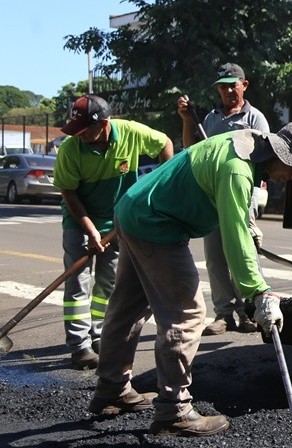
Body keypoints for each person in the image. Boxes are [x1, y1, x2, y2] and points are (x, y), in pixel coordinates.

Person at [87, 122, 292, 436]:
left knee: (128, 307)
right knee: (187, 313)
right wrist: (259, 293)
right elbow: (235, 236)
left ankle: (111, 389)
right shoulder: (237, 170)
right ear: (279, 152)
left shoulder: (244, 144)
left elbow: (232, 221)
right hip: (156, 224)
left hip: (135, 208)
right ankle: (174, 410)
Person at [52, 94, 173, 370]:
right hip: (79, 219)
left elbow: (164, 142)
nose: (79, 134)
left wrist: (165, 182)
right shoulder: (71, 149)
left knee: (108, 282)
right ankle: (79, 346)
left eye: (84, 128)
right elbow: (68, 193)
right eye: (76, 129)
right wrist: (91, 230)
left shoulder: (130, 132)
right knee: (78, 282)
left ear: (104, 123)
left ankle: (99, 335)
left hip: (117, 220)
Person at [176, 62, 270, 336]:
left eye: (233, 84)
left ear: (244, 85)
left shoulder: (255, 119)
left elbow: (263, 157)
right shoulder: (211, 119)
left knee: (243, 251)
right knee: (216, 258)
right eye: (223, 86)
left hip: (241, 196)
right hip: (212, 197)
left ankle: (251, 311)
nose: (229, 90)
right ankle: (225, 314)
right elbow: (192, 150)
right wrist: (186, 120)